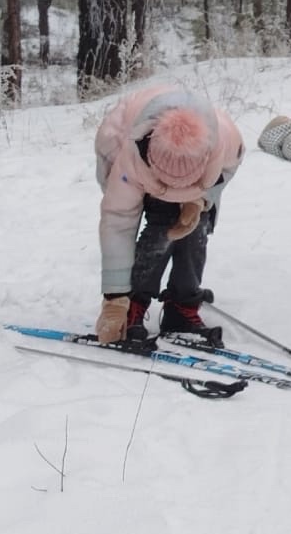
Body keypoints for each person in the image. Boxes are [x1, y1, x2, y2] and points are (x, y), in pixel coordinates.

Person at [93, 87, 244, 344]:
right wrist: (114, 298)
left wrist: (199, 200)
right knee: (162, 224)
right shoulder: (125, 153)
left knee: (197, 228)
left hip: (188, 167)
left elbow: (227, 169)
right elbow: (118, 223)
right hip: (126, 148)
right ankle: (132, 304)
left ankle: (182, 307)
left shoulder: (225, 139)